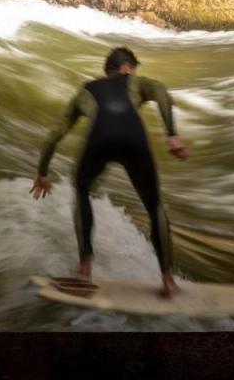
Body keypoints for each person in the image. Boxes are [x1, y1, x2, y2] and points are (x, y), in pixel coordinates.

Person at [30, 47, 188, 298]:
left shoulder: (85, 91)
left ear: (108, 70)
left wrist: (42, 172)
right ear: (127, 68)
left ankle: (84, 271)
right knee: (154, 206)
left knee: (81, 191)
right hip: (133, 140)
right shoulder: (136, 81)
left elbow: (55, 134)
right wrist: (172, 134)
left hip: (98, 141)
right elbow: (161, 91)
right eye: (133, 69)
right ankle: (168, 281)